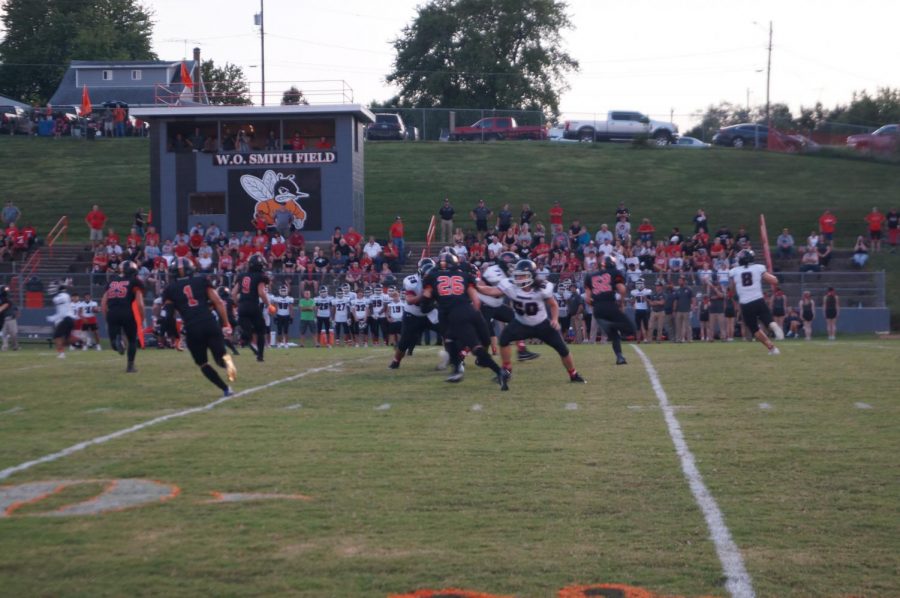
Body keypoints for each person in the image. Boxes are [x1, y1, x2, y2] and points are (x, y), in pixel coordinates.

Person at [477, 259, 585, 390]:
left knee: (563, 349)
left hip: (542, 324)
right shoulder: (511, 285)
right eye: (517, 275)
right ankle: (507, 369)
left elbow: (553, 304)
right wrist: (476, 287)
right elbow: (492, 291)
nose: (519, 278)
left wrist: (555, 320)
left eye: (522, 275)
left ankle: (573, 374)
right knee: (504, 340)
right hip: (521, 323)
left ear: (531, 275)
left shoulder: (542, 287)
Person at [421, 249, 503, 384]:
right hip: (473, 312)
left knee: (460, 343)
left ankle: (499, 371)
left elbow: (426, 297)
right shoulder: (465, 276)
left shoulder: (432, 277)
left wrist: (426, 305)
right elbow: (476, 301)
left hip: (455, 315)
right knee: (479, 343)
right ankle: (459, 368)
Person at [162, 257, 237, 396]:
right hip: (209, 323)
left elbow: (169, 317)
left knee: (203, 363)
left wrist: (176, 337)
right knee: (220, 358)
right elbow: (219, 302)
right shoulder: (202, 281)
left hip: (192, 328)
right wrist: (226, 324)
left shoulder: (170, 289)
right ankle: (228, 364)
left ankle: (226, 389)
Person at [729, 249, 783, 355]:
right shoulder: (758, 268)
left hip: (745, 304)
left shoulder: (735, 271)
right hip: (758, 300)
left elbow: (731, 289)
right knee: (767, 318)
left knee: (754, 328)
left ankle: (772, 348)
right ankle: (774, 326)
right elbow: (774, 280)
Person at [584, 257, 635, 364]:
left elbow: (587, 300)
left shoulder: (590, 276)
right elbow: (622, 289)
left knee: (615, 335)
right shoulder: (615, 272)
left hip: (597, 309)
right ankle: (611, 325)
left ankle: (620, 357)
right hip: (610, 305)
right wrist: (621, 302)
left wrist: (597, 305)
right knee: (631, 329)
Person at [102, 261, 145, 372]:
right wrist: (142, 317)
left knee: (114, 343)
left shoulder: (111, 281)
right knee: (132, 340)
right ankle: (130, 366)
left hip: (112, 312)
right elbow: (140, 304)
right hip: (127, 313)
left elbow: (103, 302)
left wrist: (107, 317)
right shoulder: (135, 281)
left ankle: (117, 341)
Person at [232, 254, 272, 362]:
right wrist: (269, 305)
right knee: (260, 331)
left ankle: (243, 335)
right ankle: (260, 356)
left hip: (242, 306)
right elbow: (261, 293)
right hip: (253, 306)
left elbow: (233, 293)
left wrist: (237, 305)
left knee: (247, 332)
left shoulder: (241, 275)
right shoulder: (260, 276)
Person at [48, 279, 76, 358]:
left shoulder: (57, 298)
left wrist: (52, 318)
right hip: (71, 319)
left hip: (65, 318)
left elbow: (60, 311)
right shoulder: (67, 296)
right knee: (66, 339)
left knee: (57, 336)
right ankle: (76, 339)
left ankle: (61, 353)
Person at [271, 284, 295, 348]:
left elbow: (291, 308)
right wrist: (274, 316)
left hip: (286, 316)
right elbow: (275, 308)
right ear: (280, 291)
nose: (283, 291)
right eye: (282, 290)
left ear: (287, 291)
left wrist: (291, 317)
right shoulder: (277, 299)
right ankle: (279, 343)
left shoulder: (289, 299)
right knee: (279, 331)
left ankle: (286, 343)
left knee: (286, 331)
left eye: (284, 290)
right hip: (279, 316)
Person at [630, 278, 652, 343]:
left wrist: (646, 299)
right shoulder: (634, 292)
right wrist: (633, 299)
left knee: (646, 326)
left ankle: (647, 339)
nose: (638, 285)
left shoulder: (647, 291)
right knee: (638, 326)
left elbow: (650, 301)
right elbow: (631, 302)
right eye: (637, 284)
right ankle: (638, 339)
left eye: (640, 284)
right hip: (638, 310)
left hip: (644, 310)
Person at [0, 285, 19, 351]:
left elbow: (16, 309)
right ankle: (5, 347)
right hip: (3, 319)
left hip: (11, 319)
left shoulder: (9, 300)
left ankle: (15, 347)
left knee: (13, 334)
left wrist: (15, 315)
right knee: (4, 334)